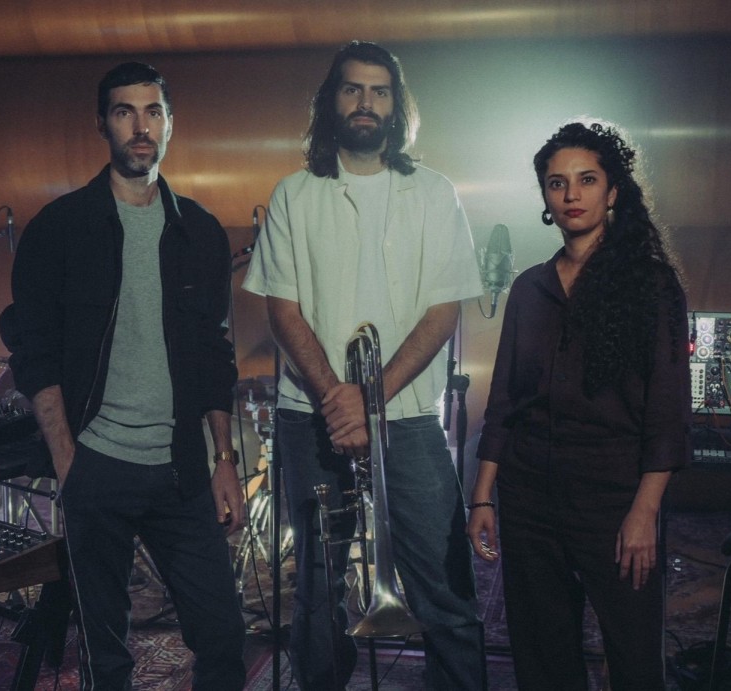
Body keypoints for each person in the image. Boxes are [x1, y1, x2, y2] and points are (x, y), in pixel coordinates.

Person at [244, 40, 487, 690]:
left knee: (445, 586)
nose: (365, 102)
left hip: (406, 417)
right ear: (331, 101)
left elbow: (442, 312)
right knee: (316, 590)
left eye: (379, 91)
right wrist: (339, 399)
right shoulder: (294, 194)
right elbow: (282, 310)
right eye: (352, 88)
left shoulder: (434, 193)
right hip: (311, 417)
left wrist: (368, 398)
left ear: (395, 106)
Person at [0, 62, 246, 690]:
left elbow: (214, 353)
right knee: (105, 655)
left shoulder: (200, 232)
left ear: (170, 124)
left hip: (180, 468)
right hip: (96, 465)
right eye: (125, 112)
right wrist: (67, 460)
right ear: (103, 124)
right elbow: (33, 349)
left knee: (223, 636)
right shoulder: (59, 227)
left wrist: (224, 459)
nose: (141, 127)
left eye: (153, 112)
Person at [467, 119, 691, 691]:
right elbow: (504, 400)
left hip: (614, 497)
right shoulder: (529, 288)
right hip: (528, 495)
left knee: (634, 659)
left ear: (612, 191)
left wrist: (644, 513)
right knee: (542, 658)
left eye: (587, 179)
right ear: (545, 197)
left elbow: (668, 413)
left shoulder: (652, 285)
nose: (572, 194)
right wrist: (483, 495)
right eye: (557, 183)